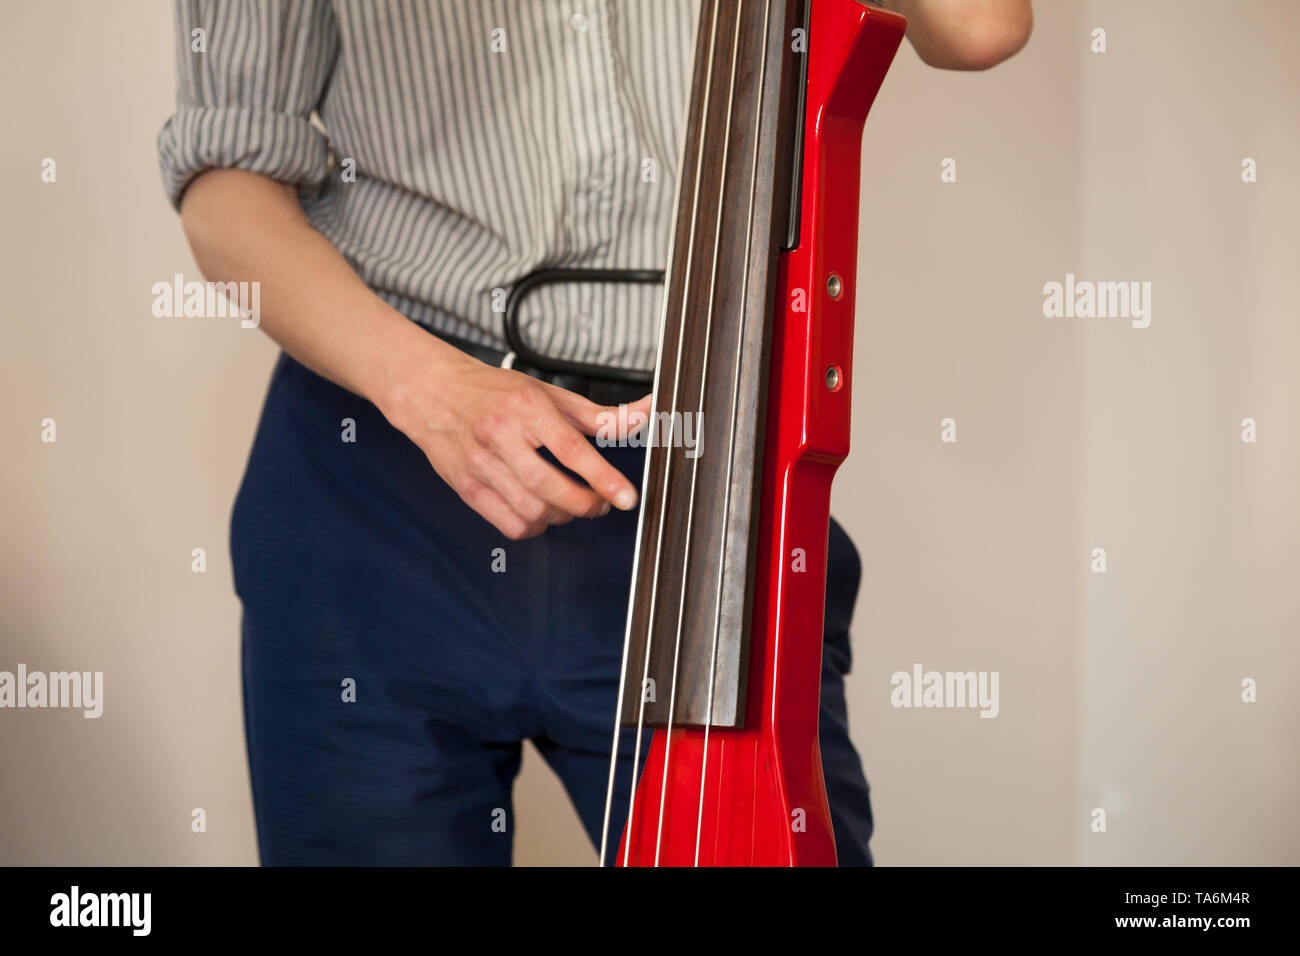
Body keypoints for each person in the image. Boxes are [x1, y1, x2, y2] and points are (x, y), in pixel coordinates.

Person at [159, 0, 1032, 866]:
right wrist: (430, 390)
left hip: (703, 495)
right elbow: (227, 182)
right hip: (378, 486)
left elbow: (981, 26)